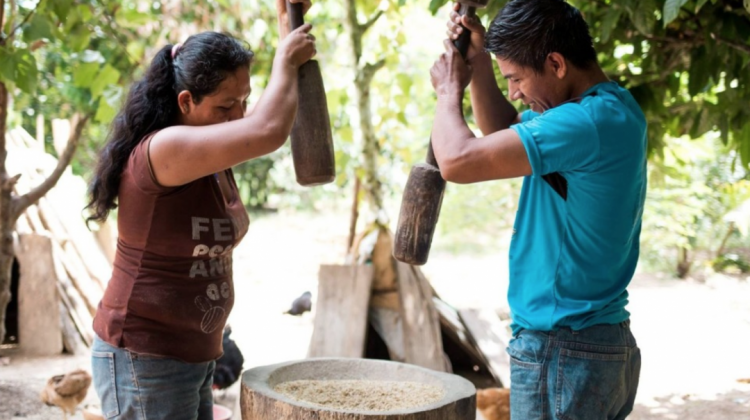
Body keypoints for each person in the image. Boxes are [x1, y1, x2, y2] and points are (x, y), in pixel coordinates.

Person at [84, 1, 315, 418]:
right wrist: (285, 58)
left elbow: (262, 120)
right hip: (145, 358)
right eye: (226, 106)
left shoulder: (209, 154)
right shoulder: (165, 149)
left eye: (244, 101)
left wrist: (287, 28)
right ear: (186, 101)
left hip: (193, 356)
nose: (238, 116)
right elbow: (267, 129)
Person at [436, 1, 645, 418]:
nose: (513, 91)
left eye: (515, 78)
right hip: (594, 344)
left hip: (563, 347)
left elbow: (457, 160)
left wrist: (448, 91)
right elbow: (499, 134)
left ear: (556, 63)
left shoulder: (584, 123)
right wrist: (477, 61)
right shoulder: (609, 110)